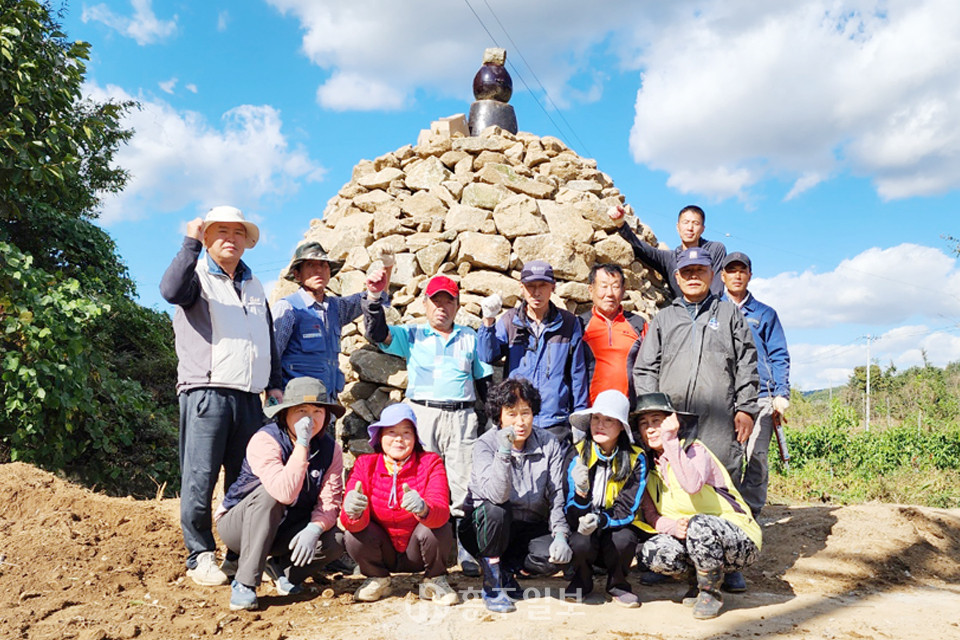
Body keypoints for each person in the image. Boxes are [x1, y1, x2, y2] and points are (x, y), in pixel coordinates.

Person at [159, 205, 282, 586]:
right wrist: (189, 243)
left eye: (238, 232)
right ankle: (199, 555)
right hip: (206, 391)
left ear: (247, 241)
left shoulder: (254, 284)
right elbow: (170, 290)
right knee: (200, 476)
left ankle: (236, 553)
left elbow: (267, 338)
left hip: (249, 397)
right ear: (207, 237)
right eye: (221, 231)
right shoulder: (194, 274)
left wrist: (273, 382)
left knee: (244, 479)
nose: (231, 238)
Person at [362, 273, 492, 576]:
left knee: (463, 483)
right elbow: (378, 333)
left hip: (460, 416)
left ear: (458, 306)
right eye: (436, 301)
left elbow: (483, 379)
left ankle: (466, 549)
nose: (442, 307)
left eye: (449, 301)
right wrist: (373, 299)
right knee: (419, 480)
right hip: (422, 416)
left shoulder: (470, 337)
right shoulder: (412, 335)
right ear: (425, 304)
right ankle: (419, 548)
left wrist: (495, 420)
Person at [214, 377, 346, 611]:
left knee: (336, 540)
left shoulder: (330, 449)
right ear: (285, 414)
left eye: (318, 411)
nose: (310, 418)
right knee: (270, 495)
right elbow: (283, 492)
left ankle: (283, 569)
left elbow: (330, 500)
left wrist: (314, 528)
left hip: (288, 528)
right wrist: (302, 445)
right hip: (241, 527)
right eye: (302, 410)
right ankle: (245, 582)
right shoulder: (265, 440)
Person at [633, 246, 759, 483]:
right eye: (687, 272)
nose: (693, 276)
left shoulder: (729, 314)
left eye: (699, 271)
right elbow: (645, 368)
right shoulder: (664, 318)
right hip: (673, 420)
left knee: (721, 480)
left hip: (720, 421)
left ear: (711, 275)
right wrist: (654, 414)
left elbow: (747, 363)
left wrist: (746, 408)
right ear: (677, 278)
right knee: (674, 481)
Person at [635, 393, 761, 620]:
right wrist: (673, 527)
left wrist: (671, 441)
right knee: (652, 551)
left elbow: (691, 485)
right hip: (693, 541)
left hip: (738, 540)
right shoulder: (648, 468)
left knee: (698, 524)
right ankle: (697, 581)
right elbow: (651, 516)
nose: (651, 429)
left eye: (657, 421)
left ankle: (710, 593)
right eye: (644, 424)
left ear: (672, 423)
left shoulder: (695, 450)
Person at [459, 378, 572, 613]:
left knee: (551, 556)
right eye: (511, 414)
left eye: (526, 413)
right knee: (496, 510)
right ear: (499, 416)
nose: (520, 422)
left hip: (527, 526)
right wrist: (503, 452)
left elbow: (556, 494)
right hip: (485, 527)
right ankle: (492, 582)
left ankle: (507, 572)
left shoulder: (548, 443)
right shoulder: (485, 444)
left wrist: (560, 534)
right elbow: (496, 496)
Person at [339, 403, 457, 605]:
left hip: (417, 549)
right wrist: (352, 512)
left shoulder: (430, 462)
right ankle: (377, 578)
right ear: (380, 436)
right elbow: (349, 521)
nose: (399, 439)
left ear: (415, 437)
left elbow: (441, 508)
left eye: (406, 432)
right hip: (383, 549)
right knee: (352, 535)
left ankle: (434, 579)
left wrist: (424, 508)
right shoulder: (365, 465)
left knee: (437, 527)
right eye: (391, 432)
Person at [478, 260, 588, 446]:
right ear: (521, 287)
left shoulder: (569, 323)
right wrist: (488, 321)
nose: (536, 292)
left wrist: (580, 420)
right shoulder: (510, 320)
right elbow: (487, 355)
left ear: (553, 287)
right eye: (530, 286)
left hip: (554, 421)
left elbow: (578, 374)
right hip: (516, 419)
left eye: (543, 285)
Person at [720, 252, 791, 517]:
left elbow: (779, 354)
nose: (737, 275)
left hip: (761, 395)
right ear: (722, 276)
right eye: (732, 270)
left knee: (757, 454)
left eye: (742, 270)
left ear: (750, 275)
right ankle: (731, 511)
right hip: (724, 396)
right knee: (730, 455)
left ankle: (752, 512)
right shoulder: (715, 310)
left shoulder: (765, 314)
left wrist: (781, 393)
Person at [563, 390, 649, 607]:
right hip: (583, 525)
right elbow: (569, 509)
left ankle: (618, 584)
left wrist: (601, 520)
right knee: (580, 540)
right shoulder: (577, 453)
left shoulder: (636, 458)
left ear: (621, 426)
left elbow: (628, 508)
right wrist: (582, 496)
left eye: (608, 420)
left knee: (624, 539)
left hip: (616, 525)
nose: (599, 425)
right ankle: (581, 580)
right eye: (596, 418)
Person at [272, 242, 393, 393]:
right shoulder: (288, 309)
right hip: (295, 404)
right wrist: (273, 391)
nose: (318, 270)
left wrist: (387, 267)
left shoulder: (336, 308)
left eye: (323, 265)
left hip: (326, 406)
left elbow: (376, 295)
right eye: (310, 265)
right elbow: (272, 356)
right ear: (297, 274)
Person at [609, 204, 726, 298]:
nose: (690, 228)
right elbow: (642, 249)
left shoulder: (714, 249)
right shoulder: (669, 258)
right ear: (677, 226)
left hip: (710, 313)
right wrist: (620, 223)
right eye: (685, 222)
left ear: (703, 229)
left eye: (695, 223)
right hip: (682, 316)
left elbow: (717, 286)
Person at [579, 263, 647, 407]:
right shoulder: (579, 325)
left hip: (629, 411)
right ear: (591, 290)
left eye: (615, 287)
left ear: (623, 291)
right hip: (591, 411)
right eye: (603, 286)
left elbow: (650, 367)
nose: (609, 293)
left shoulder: (638, 324)